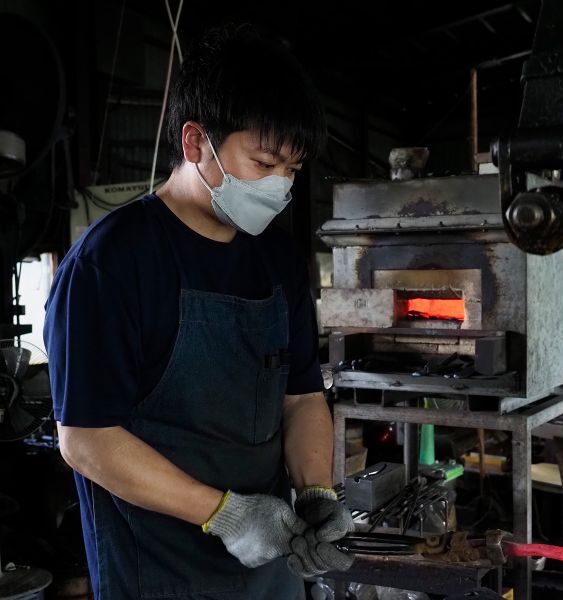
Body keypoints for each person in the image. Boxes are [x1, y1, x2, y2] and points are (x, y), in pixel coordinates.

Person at [44, 23, 353, 599]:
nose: (280, 186)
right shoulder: (110, 264)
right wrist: (226, 515)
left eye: (292, 170)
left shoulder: (278, 259)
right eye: (264, 164)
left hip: (270, 561)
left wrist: (315, 493)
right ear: (194, 143)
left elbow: (304, 395)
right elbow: (86, 440)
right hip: (158, 568)